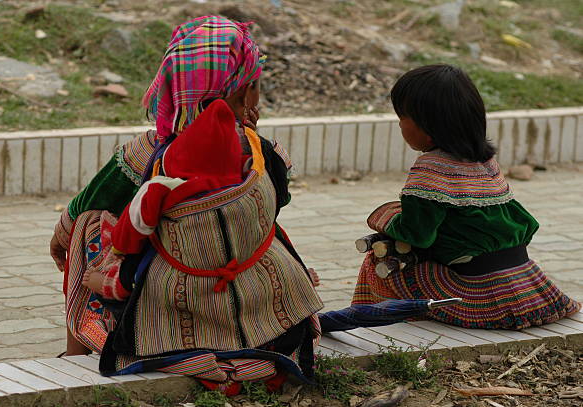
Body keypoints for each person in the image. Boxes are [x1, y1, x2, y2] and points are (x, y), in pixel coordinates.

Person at [50, 16, 323, 394]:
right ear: (246, 95)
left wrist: (62, 234)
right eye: (256, 85)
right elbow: (280, 200)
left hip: (175, 304)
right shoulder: (264, 151)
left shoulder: (148, 152)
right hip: (260, 300)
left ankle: (77, 353)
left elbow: (89, 201)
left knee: (88, 223)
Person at [352, 64, 581, 330]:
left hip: (476, 290)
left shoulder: (429, 169)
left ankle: (370, 325)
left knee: (378, 261)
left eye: (402, 117)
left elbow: (417, 235)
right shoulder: (484, 162)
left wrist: (385, 219)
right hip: (525, 277)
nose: (400, 125)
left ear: (427, 126)